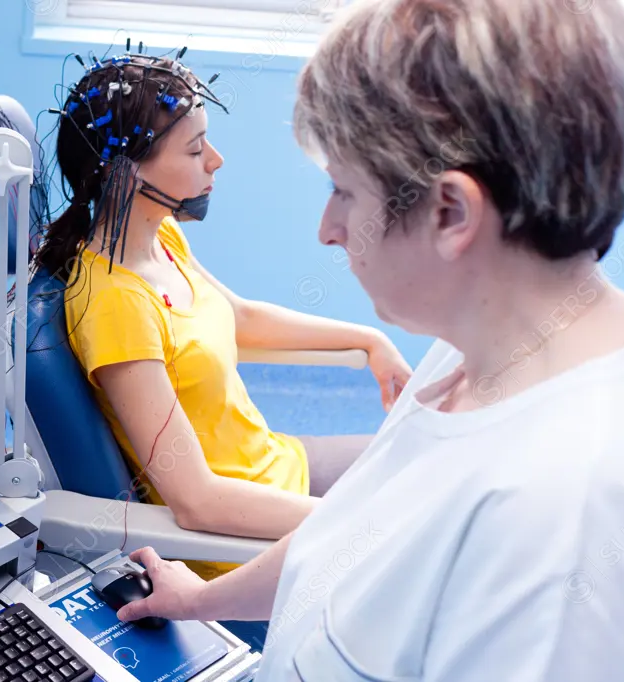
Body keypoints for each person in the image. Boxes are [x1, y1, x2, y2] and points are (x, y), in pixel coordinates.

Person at [115, 0, 624, 677]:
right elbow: (347, 536)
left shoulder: (564, 521)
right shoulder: (472, 352)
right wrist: (200, 597)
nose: (328, 229)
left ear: (450, 212)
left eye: (343, 191)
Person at [32, 53, 412, 581]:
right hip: (239, 539)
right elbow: (197, 501)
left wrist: (369, 339)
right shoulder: (115, 303)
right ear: (123, 173)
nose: (216, 160)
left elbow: (241, 316)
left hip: (280, 467)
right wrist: (352, 522)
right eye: (194, 149)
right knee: (430, 541)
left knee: (433, 464)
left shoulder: (159, 235)